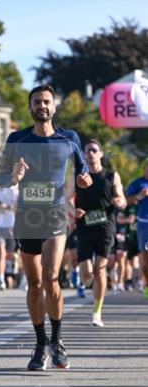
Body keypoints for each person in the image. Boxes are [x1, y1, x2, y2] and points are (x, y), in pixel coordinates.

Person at [0, 84, 91, 371]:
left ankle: (57, 342)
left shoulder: (69, 138)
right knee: (35, 284)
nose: (42, 106)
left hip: (55, 215)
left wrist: (84, 180)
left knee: (51, 278)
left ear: (54, 106)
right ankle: (40, 344)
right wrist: (14, 177)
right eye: (37, 102)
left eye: (46, 101)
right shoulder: (17, 139)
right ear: (30, 107)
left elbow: (83, 170)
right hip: (27, 217)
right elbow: (1, 179)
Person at [74, 140, 126, 326]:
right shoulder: (78, 176)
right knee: (87, 276)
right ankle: (86, 282)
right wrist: (73, 210)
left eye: (94, 150)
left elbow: (121, 197)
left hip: (105, 226)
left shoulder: (111, 175)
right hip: (84, 227)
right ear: (84, 155)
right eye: (88, 151)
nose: (91, 153)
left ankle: (97, 313)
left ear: (101, 154)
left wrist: (120, 201)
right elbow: (67, 198)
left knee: (100, 270)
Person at [125, 159, 148, 298]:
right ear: (144, 169)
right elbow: (126, 200)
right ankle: (146, 283)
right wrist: (139, 196)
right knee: (144, 256)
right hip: (143, 223)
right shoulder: (137, 183)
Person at [0, 183, 18, 289]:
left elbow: (17, 207)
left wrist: (6, 207)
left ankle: (19, 275)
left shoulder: (14, 190)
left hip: (11, 226)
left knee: (12, 254)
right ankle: (1, 280)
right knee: (1, 253)